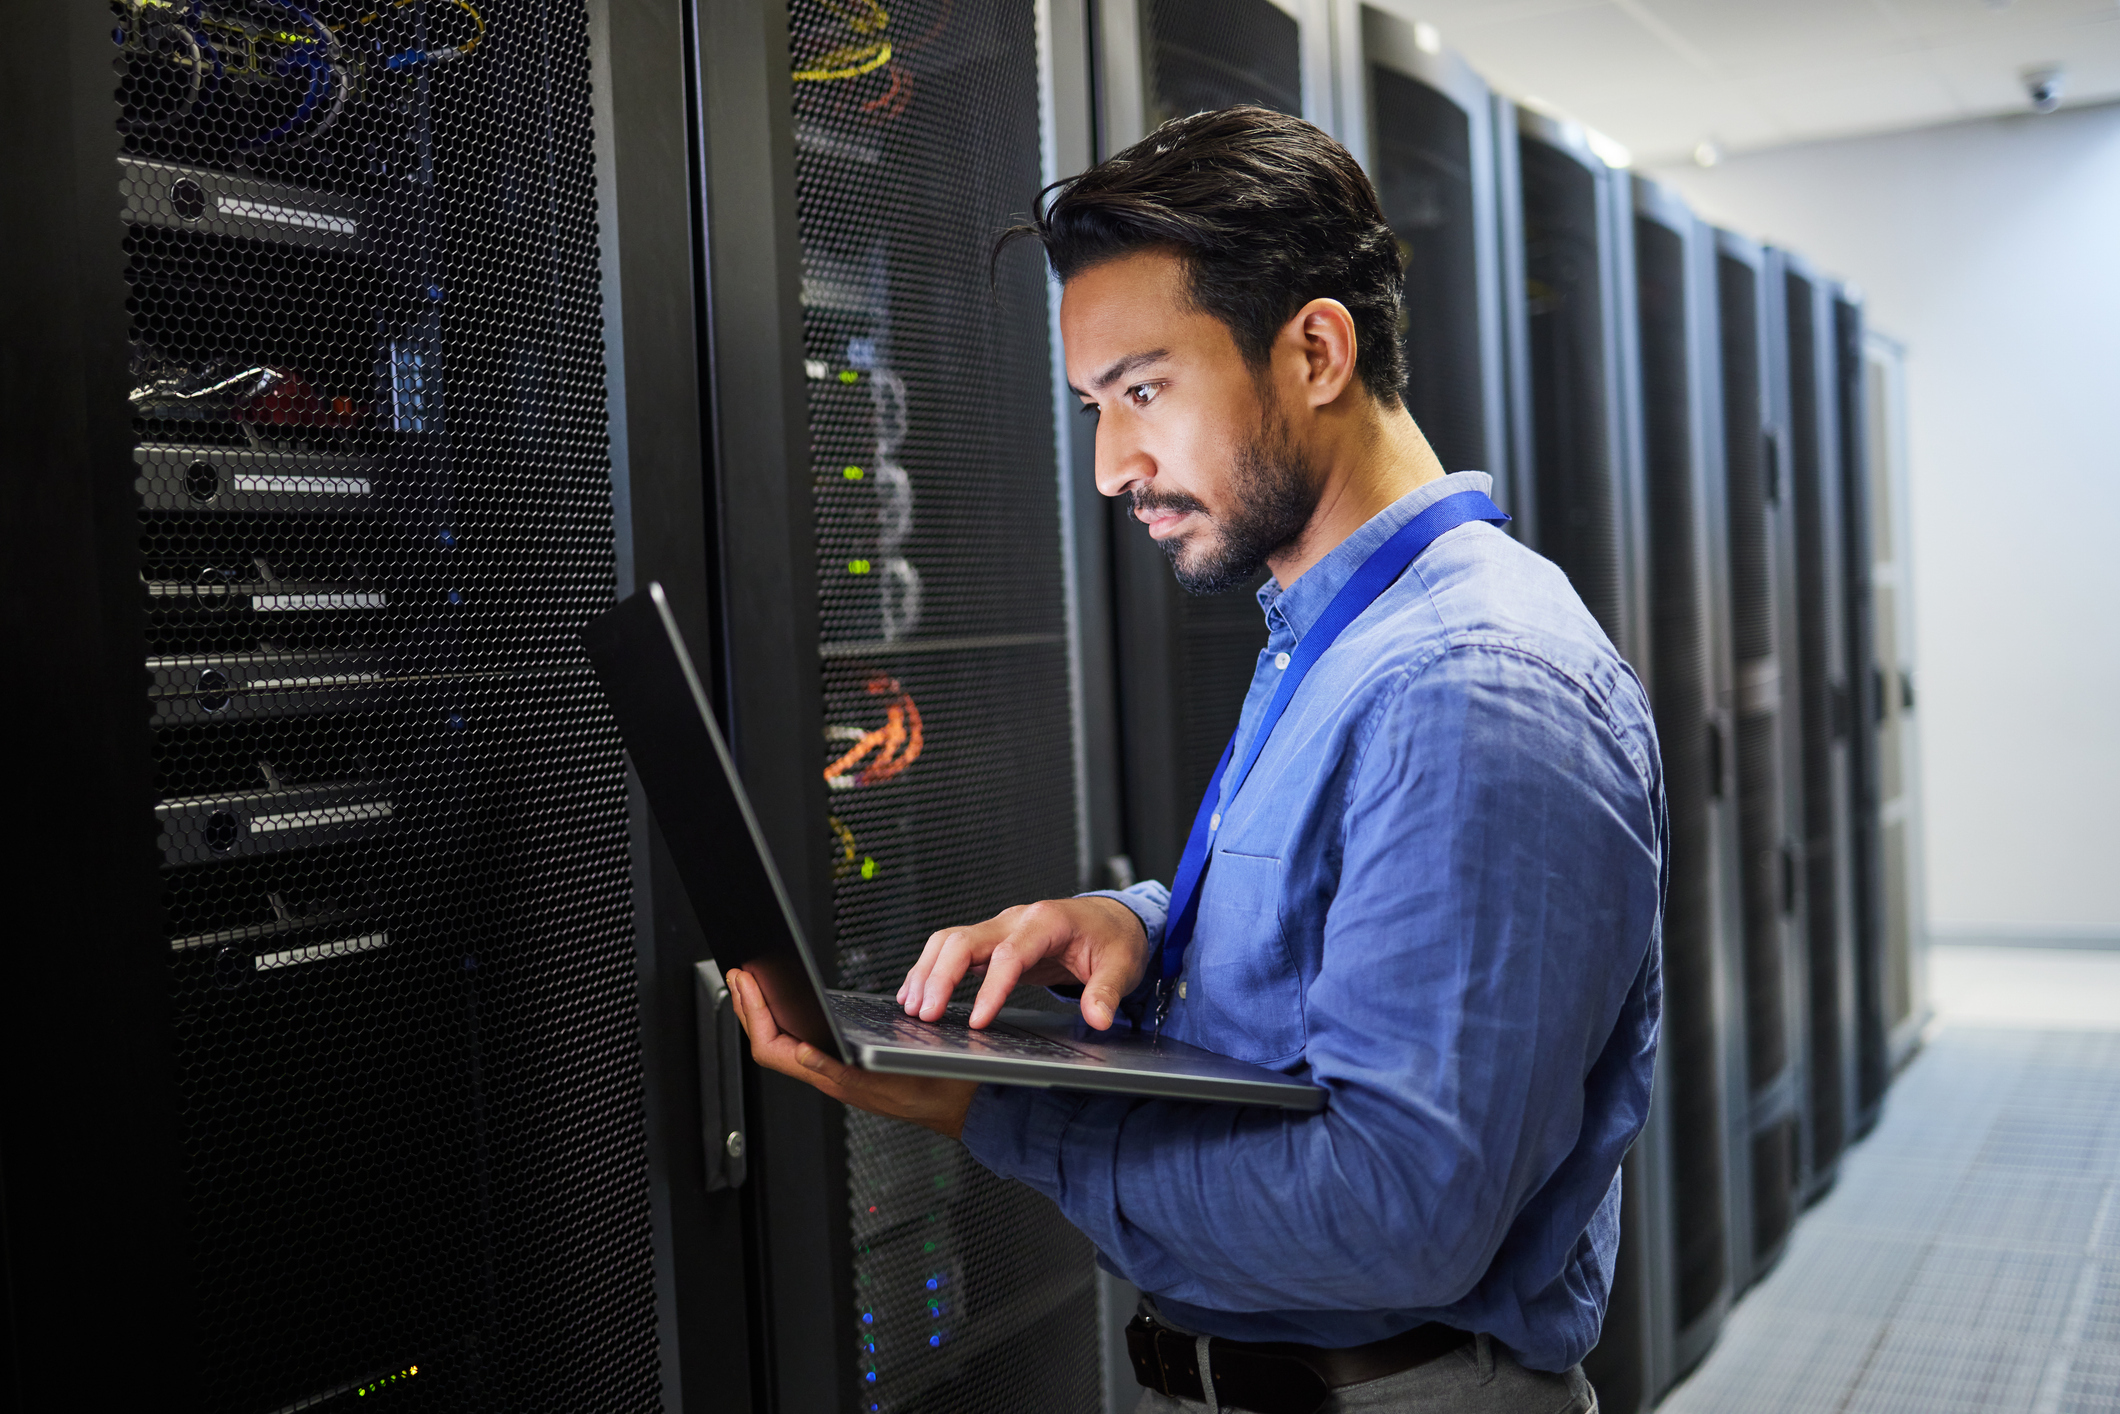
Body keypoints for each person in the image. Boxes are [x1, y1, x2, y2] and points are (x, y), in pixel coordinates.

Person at [728, 106, 1662, 1414]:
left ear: (1317, 349)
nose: (1112, 466)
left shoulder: (1474, 687)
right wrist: (1132, 924)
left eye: (1144, 391)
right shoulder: (1338, 634)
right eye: (1095, 407)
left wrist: (989, 1111)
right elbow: (1351, 925)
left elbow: (1402, 1214)